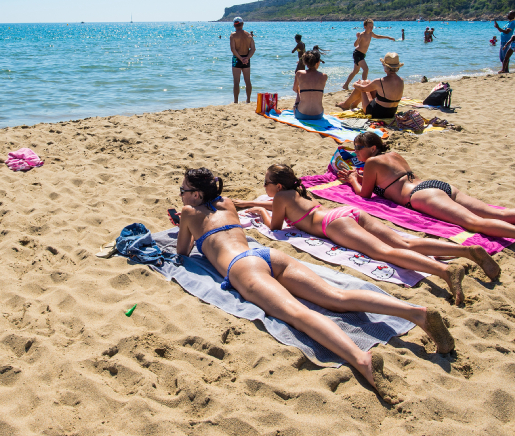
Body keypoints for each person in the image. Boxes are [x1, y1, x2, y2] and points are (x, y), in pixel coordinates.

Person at [176, 167, 456, 403]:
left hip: (242, 267)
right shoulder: (225, 203)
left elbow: (183, 252)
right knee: (336, 296)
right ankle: (415, 312)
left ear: (196, 195)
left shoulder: (189, 213)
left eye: (183, 190)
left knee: (299, 314)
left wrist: (182, 222)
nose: (181, 194)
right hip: (268, 255)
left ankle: (362, 360)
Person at [233, 165, 502, 305]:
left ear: (277, 186)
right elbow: (281, 208)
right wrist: (251, 204)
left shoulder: (280, 197)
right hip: (346, 212)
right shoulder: (293, 193)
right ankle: (467, 251)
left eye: (265, 184)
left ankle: (444, 272)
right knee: (402, 241)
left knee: (384, 252)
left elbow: (276, 227)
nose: (264, 189)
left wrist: (259, 212)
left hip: (333, 224)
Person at [338, 132, 515, 261]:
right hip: (436, 185)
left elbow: (366, 195)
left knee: (473, 223)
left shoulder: (370, 163)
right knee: (495, 212)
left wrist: (351, 179)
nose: (356, 152)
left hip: (420, 195)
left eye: (358, 148)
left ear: (371, 148)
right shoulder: (393, 156)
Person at [336, 52, 404, 119]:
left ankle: (346, 105)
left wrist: (355, 84)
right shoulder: (401, 80)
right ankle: (353, 104)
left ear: (385, 67)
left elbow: (363, 89)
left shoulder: (380, 81)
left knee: (362, 83)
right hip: (391, 113)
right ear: (397, 67)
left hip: (376, 113)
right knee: (367, 82)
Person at [342, 19, 395, 90]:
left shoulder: (370, 33)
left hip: (362, 55)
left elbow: (377, 36)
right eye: (369, 26)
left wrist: (388, 37)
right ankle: (364, 86)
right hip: (357, 54)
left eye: (372, 26)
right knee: (366, 69)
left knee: (355, 71)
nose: (371, 28)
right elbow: (355, 45)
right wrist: (358, 38)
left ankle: (345, 85)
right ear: (365, 27)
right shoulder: (362, 35)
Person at [292, 47, 328, 120]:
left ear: (305, 63)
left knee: (299, 90)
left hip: (301, 114)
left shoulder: (299, 73)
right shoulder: (324, 76)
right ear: (318, 62)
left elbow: (295, 89)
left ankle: (298, 106)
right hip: (318, 115)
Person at [230, 17, 255, 103]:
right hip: (246, 59)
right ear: (243, 24)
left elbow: (233, 49)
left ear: (234, 25)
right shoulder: (249, 35)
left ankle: (236, 101)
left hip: (237, 58)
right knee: (247, 80)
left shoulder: (233, 35)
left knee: (236, 81)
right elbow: (253, 49)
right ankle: (248, 100)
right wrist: (247, 58)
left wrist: (240, 58)